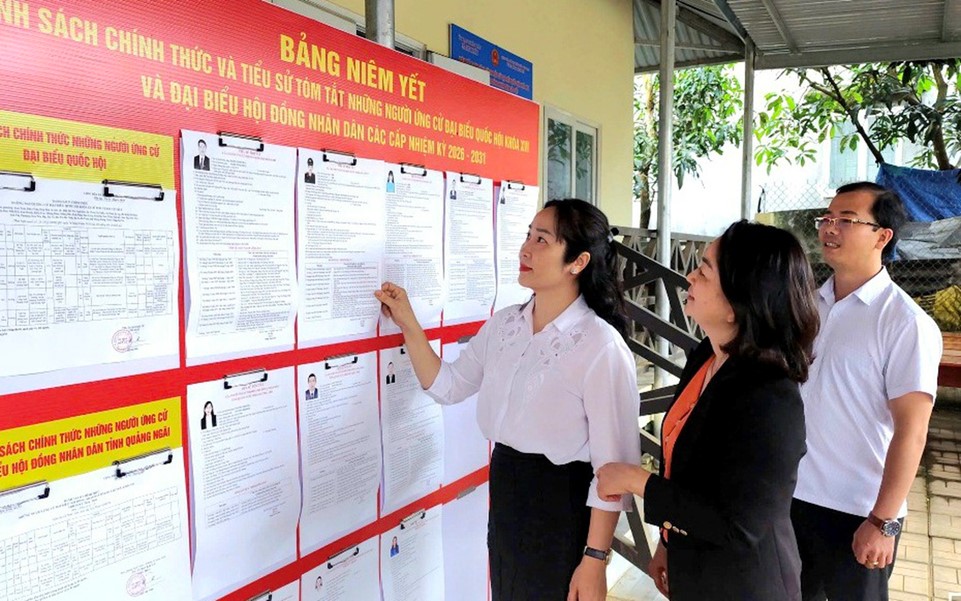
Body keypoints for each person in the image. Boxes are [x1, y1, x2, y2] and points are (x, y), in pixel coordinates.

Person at [375, 198, 640, 601]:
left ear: (578, 262)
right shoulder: (506, 325)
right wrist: (408, 322)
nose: (525, 249)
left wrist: (594, 558)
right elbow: (448, 385)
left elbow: (613, 468)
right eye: (528, 235)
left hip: (562, 507)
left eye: (542, 240)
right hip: (507, 492)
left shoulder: (601, 346)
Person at [597, 220, 820, 601]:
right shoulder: (708, 355)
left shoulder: (770, 396)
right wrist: (667, 541)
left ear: (738, 303)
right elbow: (689, 474)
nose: (690, 277)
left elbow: (740, 524)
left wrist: (637, 481)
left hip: (744, 586)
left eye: (704, 270)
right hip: (694, 568)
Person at [791, 182, 942, 601]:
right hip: (790, 498)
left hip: (857, 510)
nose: (829, 228)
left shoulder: (906, 323)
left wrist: (883, 521)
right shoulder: (806, 306)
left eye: (846, 220)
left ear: (882, 236)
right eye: (826, 218)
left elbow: (912, 431)